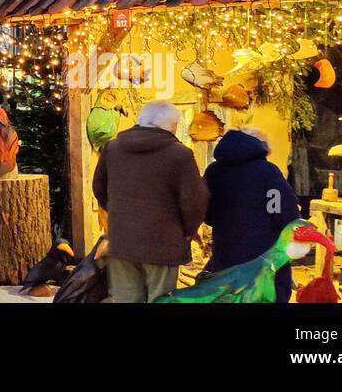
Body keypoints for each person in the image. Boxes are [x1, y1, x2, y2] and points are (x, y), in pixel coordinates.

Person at [92, 100, 209, 302]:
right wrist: (187, 232)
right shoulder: (180, 155)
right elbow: (194, 201)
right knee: (160, 298)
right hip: (163, 244)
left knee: (126, 298)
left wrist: (119, 214)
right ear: (172, 126)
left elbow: (99, 188)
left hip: (123, 241)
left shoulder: (113, 148)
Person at [204, 127, 300, 302]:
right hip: (264, 252)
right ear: (260, 147)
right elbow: (283, 211)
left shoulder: (213, 171)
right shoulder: (267, 172)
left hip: (225, 250)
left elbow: (208, 212)